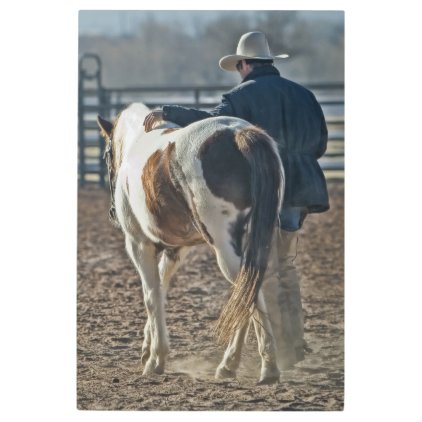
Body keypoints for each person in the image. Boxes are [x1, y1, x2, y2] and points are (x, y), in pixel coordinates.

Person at [143, 31, 329, 369]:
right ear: (269, 62)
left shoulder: (240, 97)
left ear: (244, 64)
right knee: (286, 265)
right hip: (300, 190)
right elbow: (320, 144)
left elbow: (210, 126)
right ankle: (293, 342)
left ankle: (276, 350)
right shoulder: (304, 96)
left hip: (259, 189)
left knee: (262, 264)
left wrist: (170, 112)